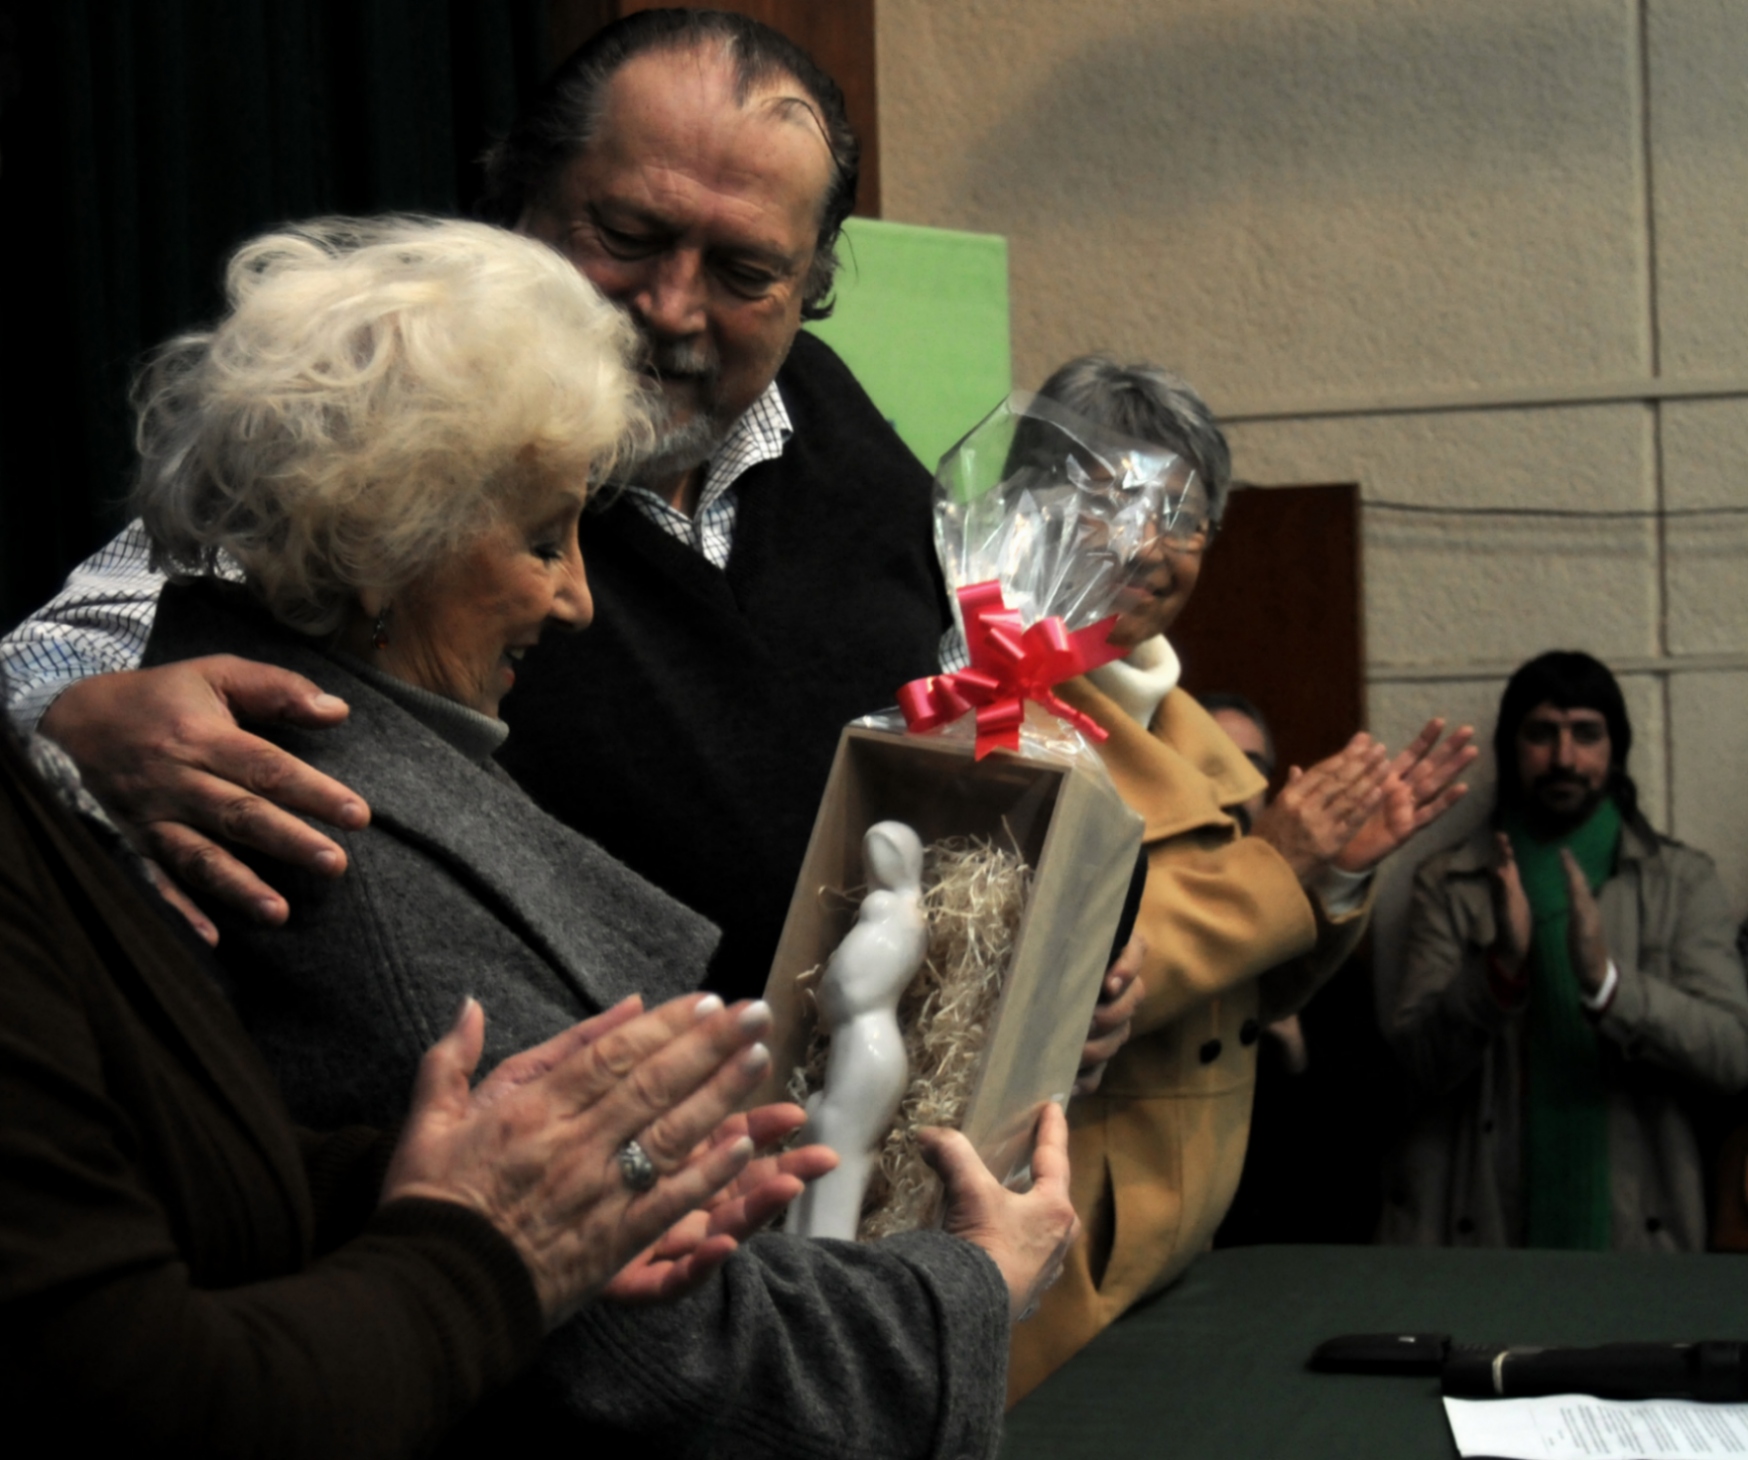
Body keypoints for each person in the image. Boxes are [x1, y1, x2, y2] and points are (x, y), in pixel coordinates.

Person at [122, 214, 1072, 1457]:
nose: (575, 596)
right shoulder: (332, 848)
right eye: (538, 538)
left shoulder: (284, 742)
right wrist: (966, 1288)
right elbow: (639, 1341)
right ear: (376, 541)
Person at [1, 9, 945, 1003]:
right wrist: (73, 717)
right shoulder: (410, 411)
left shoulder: (828, 413)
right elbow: (58, 650)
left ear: (808, 283)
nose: (672, 306)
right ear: (520, 201)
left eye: (744, 272)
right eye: (626, 234)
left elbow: (969, 677)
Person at [0, 720, 805, 1456]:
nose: (579, 605)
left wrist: (439, 1177)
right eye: (541, 550)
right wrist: (488, 1243)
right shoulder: (359, 876)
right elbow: (136, 1397)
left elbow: (133, 1163)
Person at [1001, 356, 1477, 1402]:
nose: (1148, 543)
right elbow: (1053, 980)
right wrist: (1277, 869)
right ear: (1025, 506)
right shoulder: (988, 694)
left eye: (1181, 513)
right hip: (1057, 1256)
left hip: (1181, 1245)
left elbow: (1242, 1000)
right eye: (1108, 500)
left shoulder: (1172, 715)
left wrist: (1334, 882)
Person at [1383, 650, 1748, 1251]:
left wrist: (1609, 985)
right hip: (1481, 1229)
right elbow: (1413, 1068)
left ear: (1615, 749)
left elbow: (1733, 1057)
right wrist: (1498, 972)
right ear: (1510, 747)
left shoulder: (1679, 881)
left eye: (1586, 734)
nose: (1563, 758)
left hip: (1639, 1235)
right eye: (1541, 735)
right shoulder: (1453, 882)